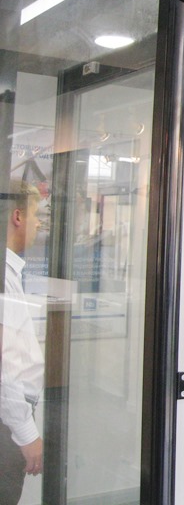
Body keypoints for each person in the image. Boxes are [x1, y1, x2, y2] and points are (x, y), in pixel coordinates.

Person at [0, 179, 44, 503]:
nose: (39, 223)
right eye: (36, 214)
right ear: (18, 216)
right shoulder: (3, 276)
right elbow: (5, 366)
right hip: (7, 424)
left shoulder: (9, 273)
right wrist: (26, 432)